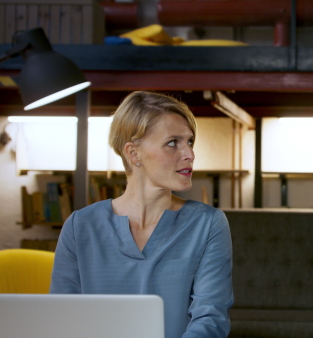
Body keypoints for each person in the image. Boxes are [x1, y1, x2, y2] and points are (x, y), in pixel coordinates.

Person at [51, 91, 234, 338]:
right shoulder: (80, 226)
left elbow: (210, 319)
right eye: (173, 143)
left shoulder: (208, 224)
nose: (189, 154)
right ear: (133, 153)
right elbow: (62, 320)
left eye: (190, 142)